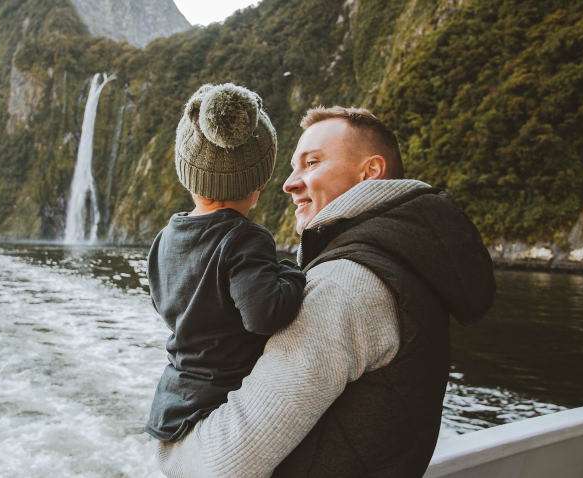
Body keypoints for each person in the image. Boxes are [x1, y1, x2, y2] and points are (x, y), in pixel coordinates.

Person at [156, 106, 497, 477]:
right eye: (291, 168)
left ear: (370, 172)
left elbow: (215, 467)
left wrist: (167, 450)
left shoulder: (343, 285)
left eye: (311, 163)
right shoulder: (404, 261)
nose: (288, 183)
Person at [143, 83, 307, 444]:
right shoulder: (246, 239)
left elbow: (161, 301)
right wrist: (292, 272)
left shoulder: (164, 239)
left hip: (173, 400)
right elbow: (265, 314)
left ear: (187, 174)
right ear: (260, 180)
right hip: (220, 405)